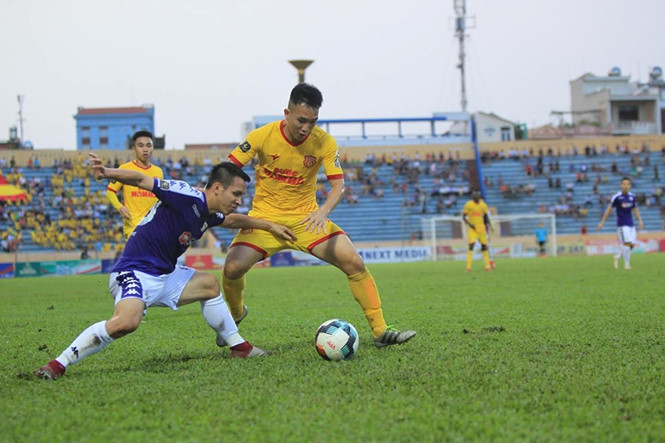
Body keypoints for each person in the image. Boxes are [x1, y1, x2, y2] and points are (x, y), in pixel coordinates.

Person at [34, 154, 297, 380]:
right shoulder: (184, 194)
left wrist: (269, 225)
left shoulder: (210, 214)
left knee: (208, 284)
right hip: (134, 270)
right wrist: (107, 173)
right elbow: (141, 180)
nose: (240, 199)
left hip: (165, 274)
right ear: (217, 188)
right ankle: (59, 363)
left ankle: (238, 346)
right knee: (126, 323)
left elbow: (231, 220)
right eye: (236, 193)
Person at [222, 83, 415, 348]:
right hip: (265, 220)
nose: (306, 127)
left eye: (312, 121)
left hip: (306, 221)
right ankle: (235, 315)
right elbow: (227, 167)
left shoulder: (324, 141)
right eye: (301, 120)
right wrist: (226, 194)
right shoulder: (261, 136)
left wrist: (322, 212)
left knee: (354, 263)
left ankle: (381, 331)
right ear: (287, 112)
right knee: (232, 268)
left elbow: (338, 185)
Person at [106, 131, 164, 240]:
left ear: (153, 148)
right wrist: (120, 207)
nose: (145, 149)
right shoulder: (124, 169)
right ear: (134, 148)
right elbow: (110, 192)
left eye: (148, 145)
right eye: (141, 146)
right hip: (133, 227)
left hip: (153, 227)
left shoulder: (158, 172)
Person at [597, 177, 644, 270]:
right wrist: (602, 222)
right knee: (627, 243)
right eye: (624, 184)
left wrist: (640, 220)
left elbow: (635, 210)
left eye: (627, 184)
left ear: (630, 186)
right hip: (622, 224)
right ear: (621, 185)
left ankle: (618, 256)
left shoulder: (632, 197)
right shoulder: (617, 197)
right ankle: (627, 265)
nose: (625, 186)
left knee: (632, 245)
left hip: (631, 224)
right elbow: (608, 210)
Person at [462, 190, 492, 272]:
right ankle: (468, 267)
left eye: (478, 198)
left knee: (484, 247)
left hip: (481, 229)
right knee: (471, 245)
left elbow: (486, 217)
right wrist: (470, 225)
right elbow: (464, 217)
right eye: (475, 198)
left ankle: (487, 266)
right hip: (473, 229)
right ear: (472, 198)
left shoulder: (483, 205)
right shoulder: (468, 205)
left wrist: (489, 226)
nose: (477, 199)